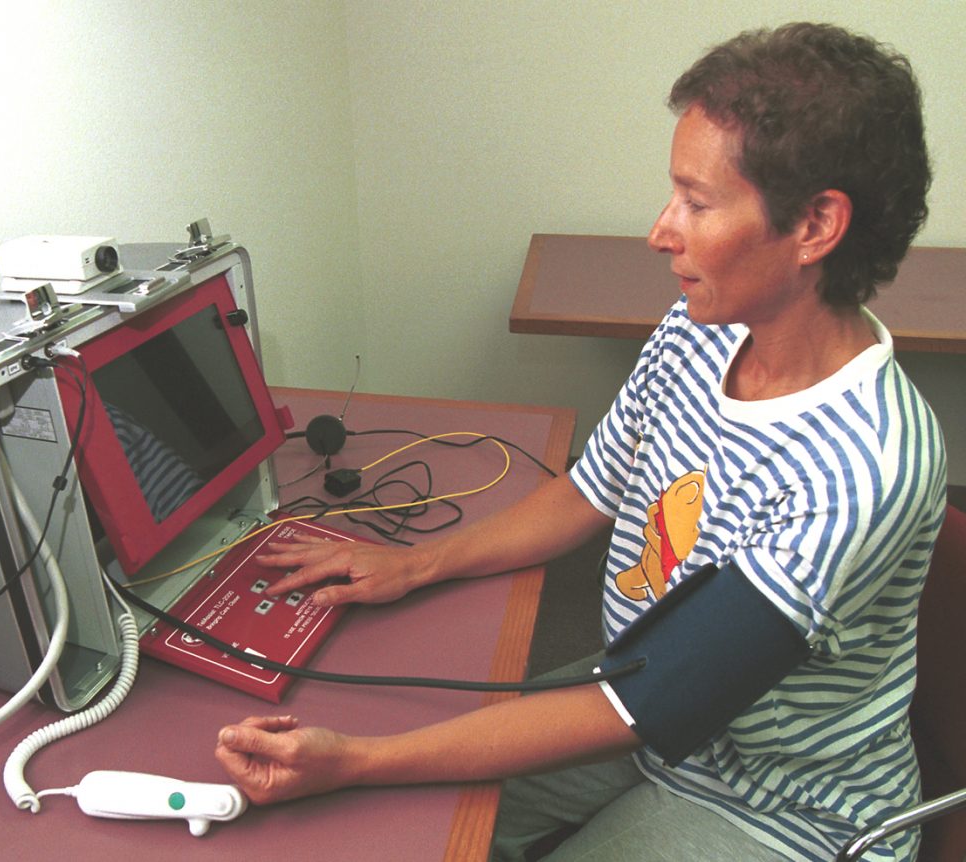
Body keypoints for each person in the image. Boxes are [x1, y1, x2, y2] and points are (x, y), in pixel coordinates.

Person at [214, 22, 946, 861]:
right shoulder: (705, 324)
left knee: (399, 793)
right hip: (642, 695)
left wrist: (360, 761)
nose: (661, 231)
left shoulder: (861, 469)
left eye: (697, 204)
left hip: (773, 804)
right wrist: (417, 563)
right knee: (395, 833)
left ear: (816, 225)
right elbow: (591, 487)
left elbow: (646, 706)